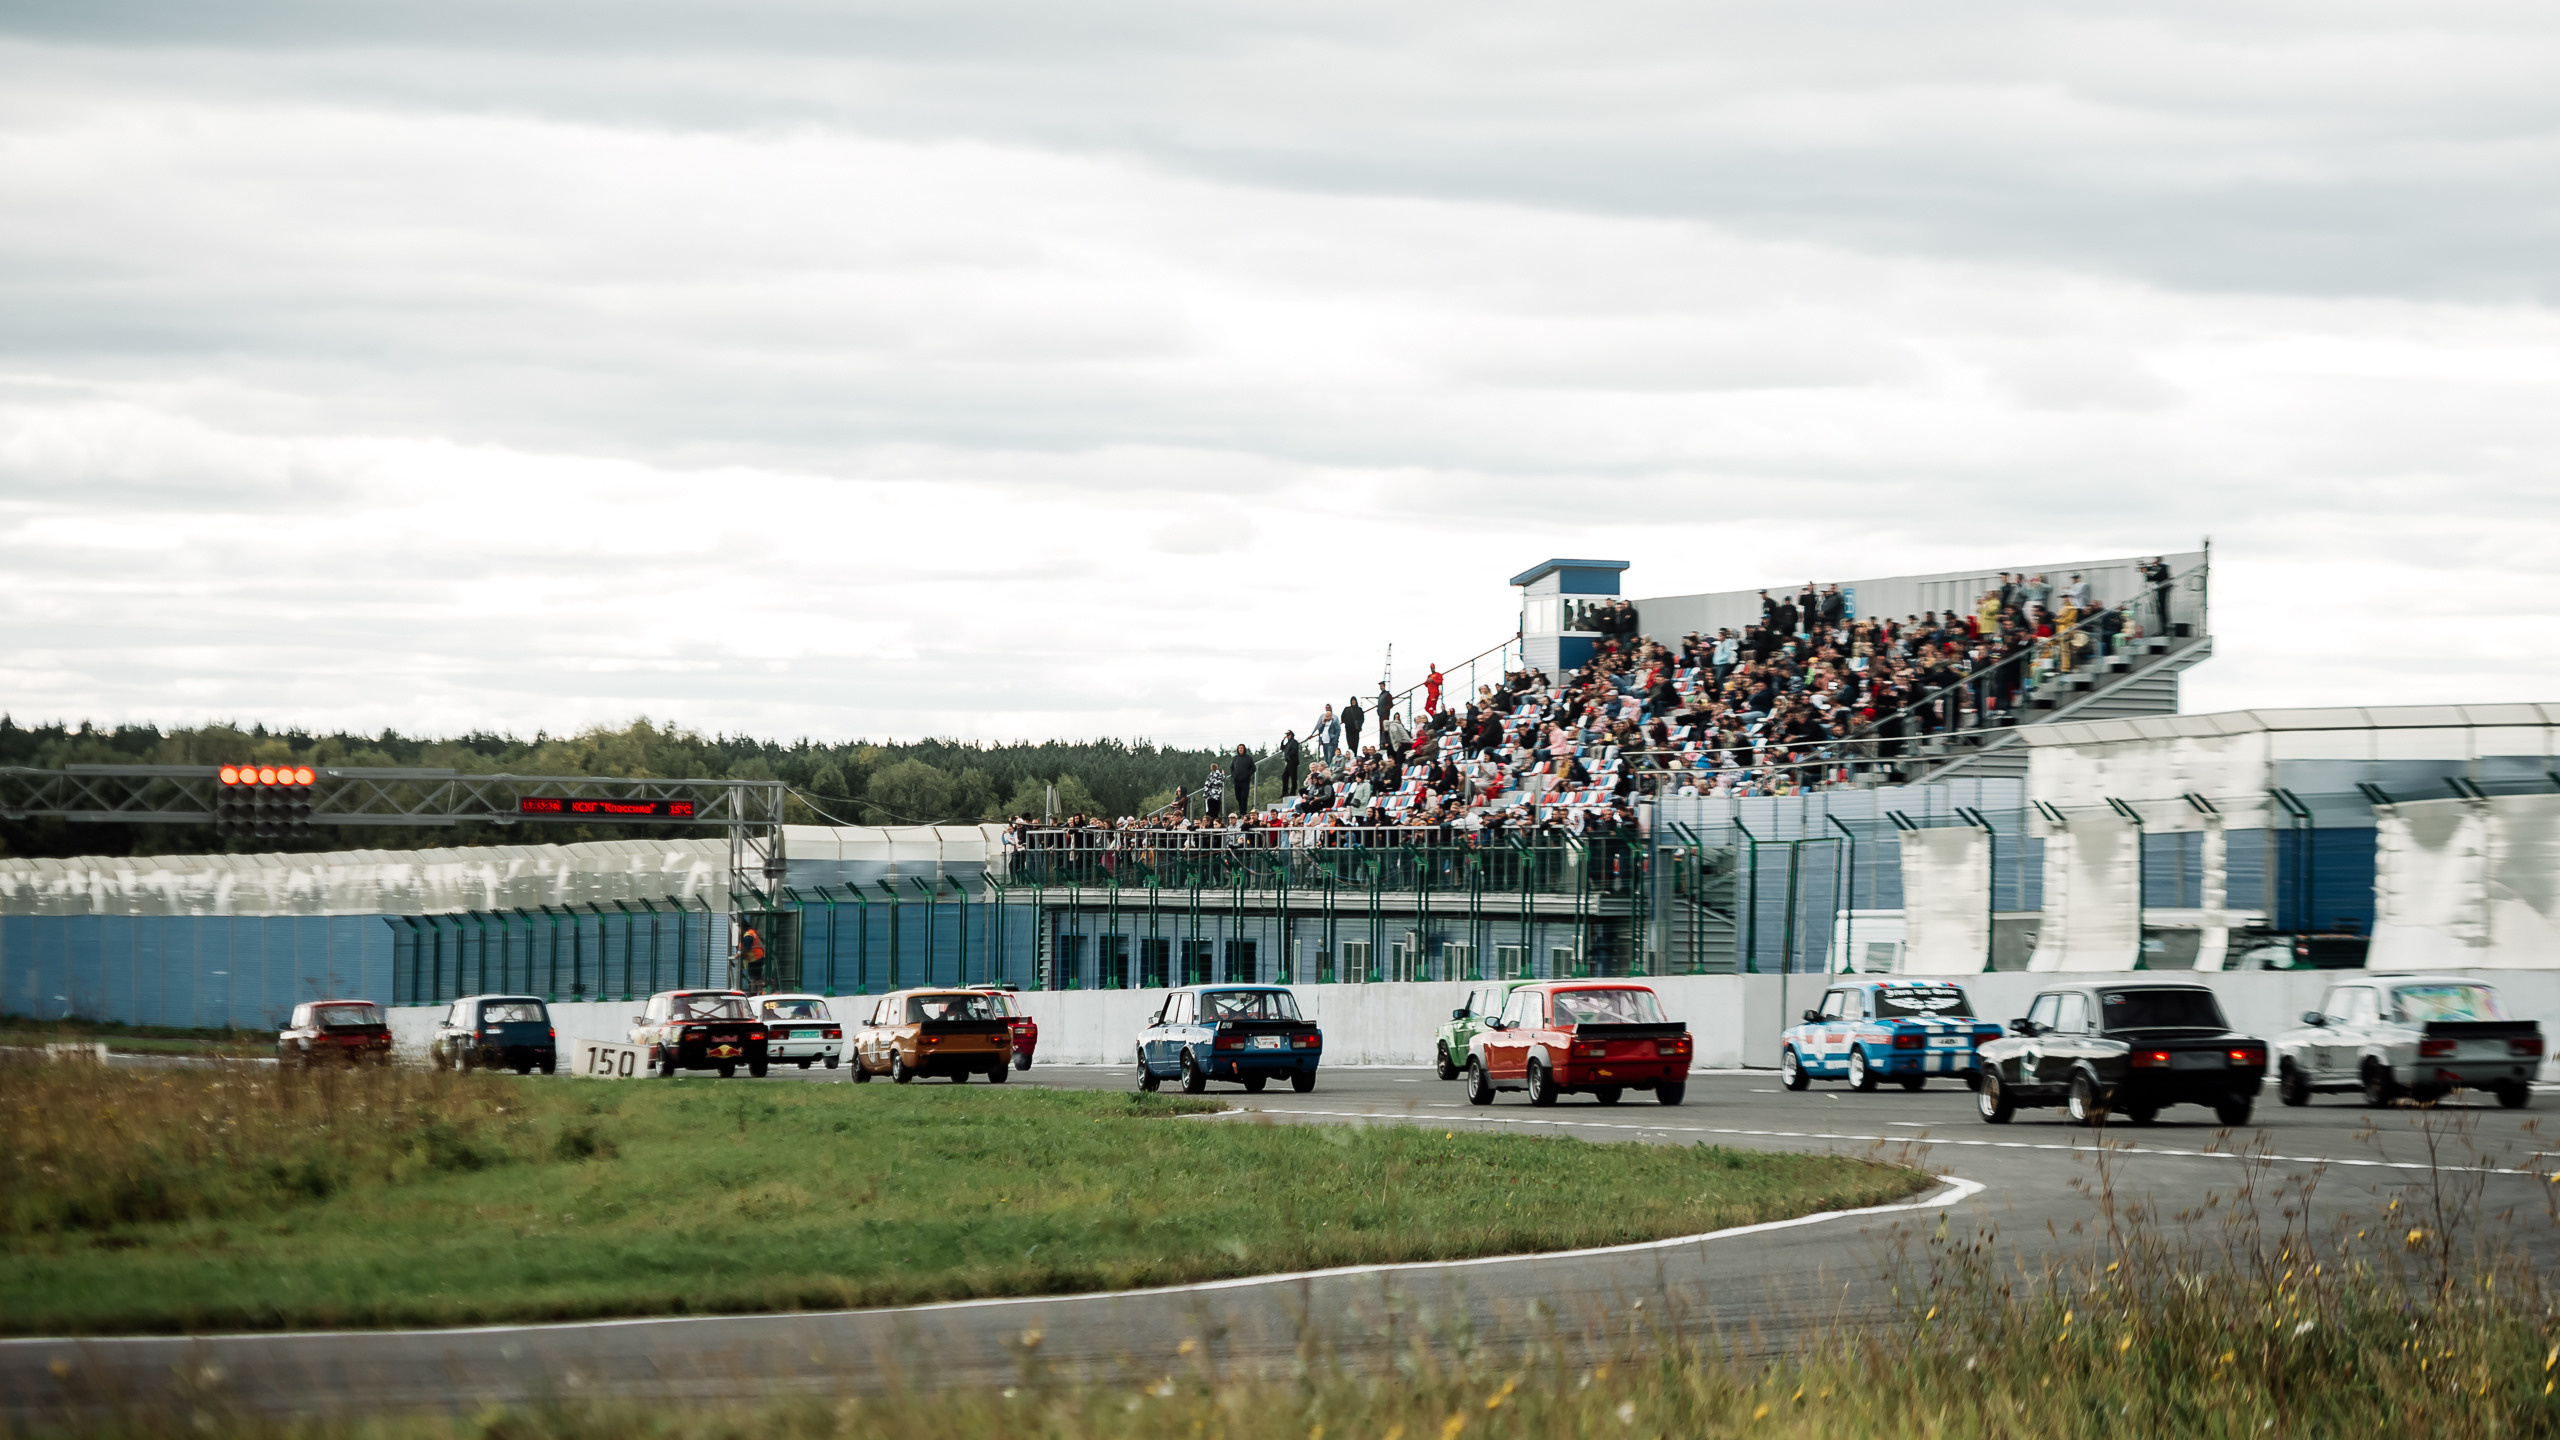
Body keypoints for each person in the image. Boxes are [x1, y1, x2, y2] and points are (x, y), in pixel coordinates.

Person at [736, 924, 768, 993]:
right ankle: (757, 991)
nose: (737, 931)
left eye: (738, 928)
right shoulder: (752, 932)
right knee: (755, 978)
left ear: (741, 928)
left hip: (755, 959)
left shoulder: (748, 936)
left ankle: (758, 992)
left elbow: (747, 948)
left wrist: (739, 955)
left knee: (755, 979)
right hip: (758, 958)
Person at [1231, 743, 1258, 810]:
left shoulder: (1248, 758)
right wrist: (1233, 775)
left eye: (1241, 748)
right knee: (1238, 797)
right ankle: (1241, 812)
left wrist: (1247, 775)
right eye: (1239, 748)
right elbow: (1232, 768)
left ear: (1244, 749)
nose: (1240, 750)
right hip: (1237, 780)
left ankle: (1244, 813)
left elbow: (1253, 768)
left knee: (1244, 797)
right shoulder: (1235, 758)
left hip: (1245, 781)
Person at [1278, 729, 1302, 797]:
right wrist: (1283, 740)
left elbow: (1294, 750)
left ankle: (1293, 791)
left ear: (1291, 735)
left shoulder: (1294, 742)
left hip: (1293, 761)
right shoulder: (1288, 743)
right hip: (1289, 762)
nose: (1287, 736)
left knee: (1293, 776)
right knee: (1284, 775)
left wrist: (1289, 755)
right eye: (1287, 735)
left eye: (1288, 735)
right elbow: (1282, 748)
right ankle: (1285, 791)